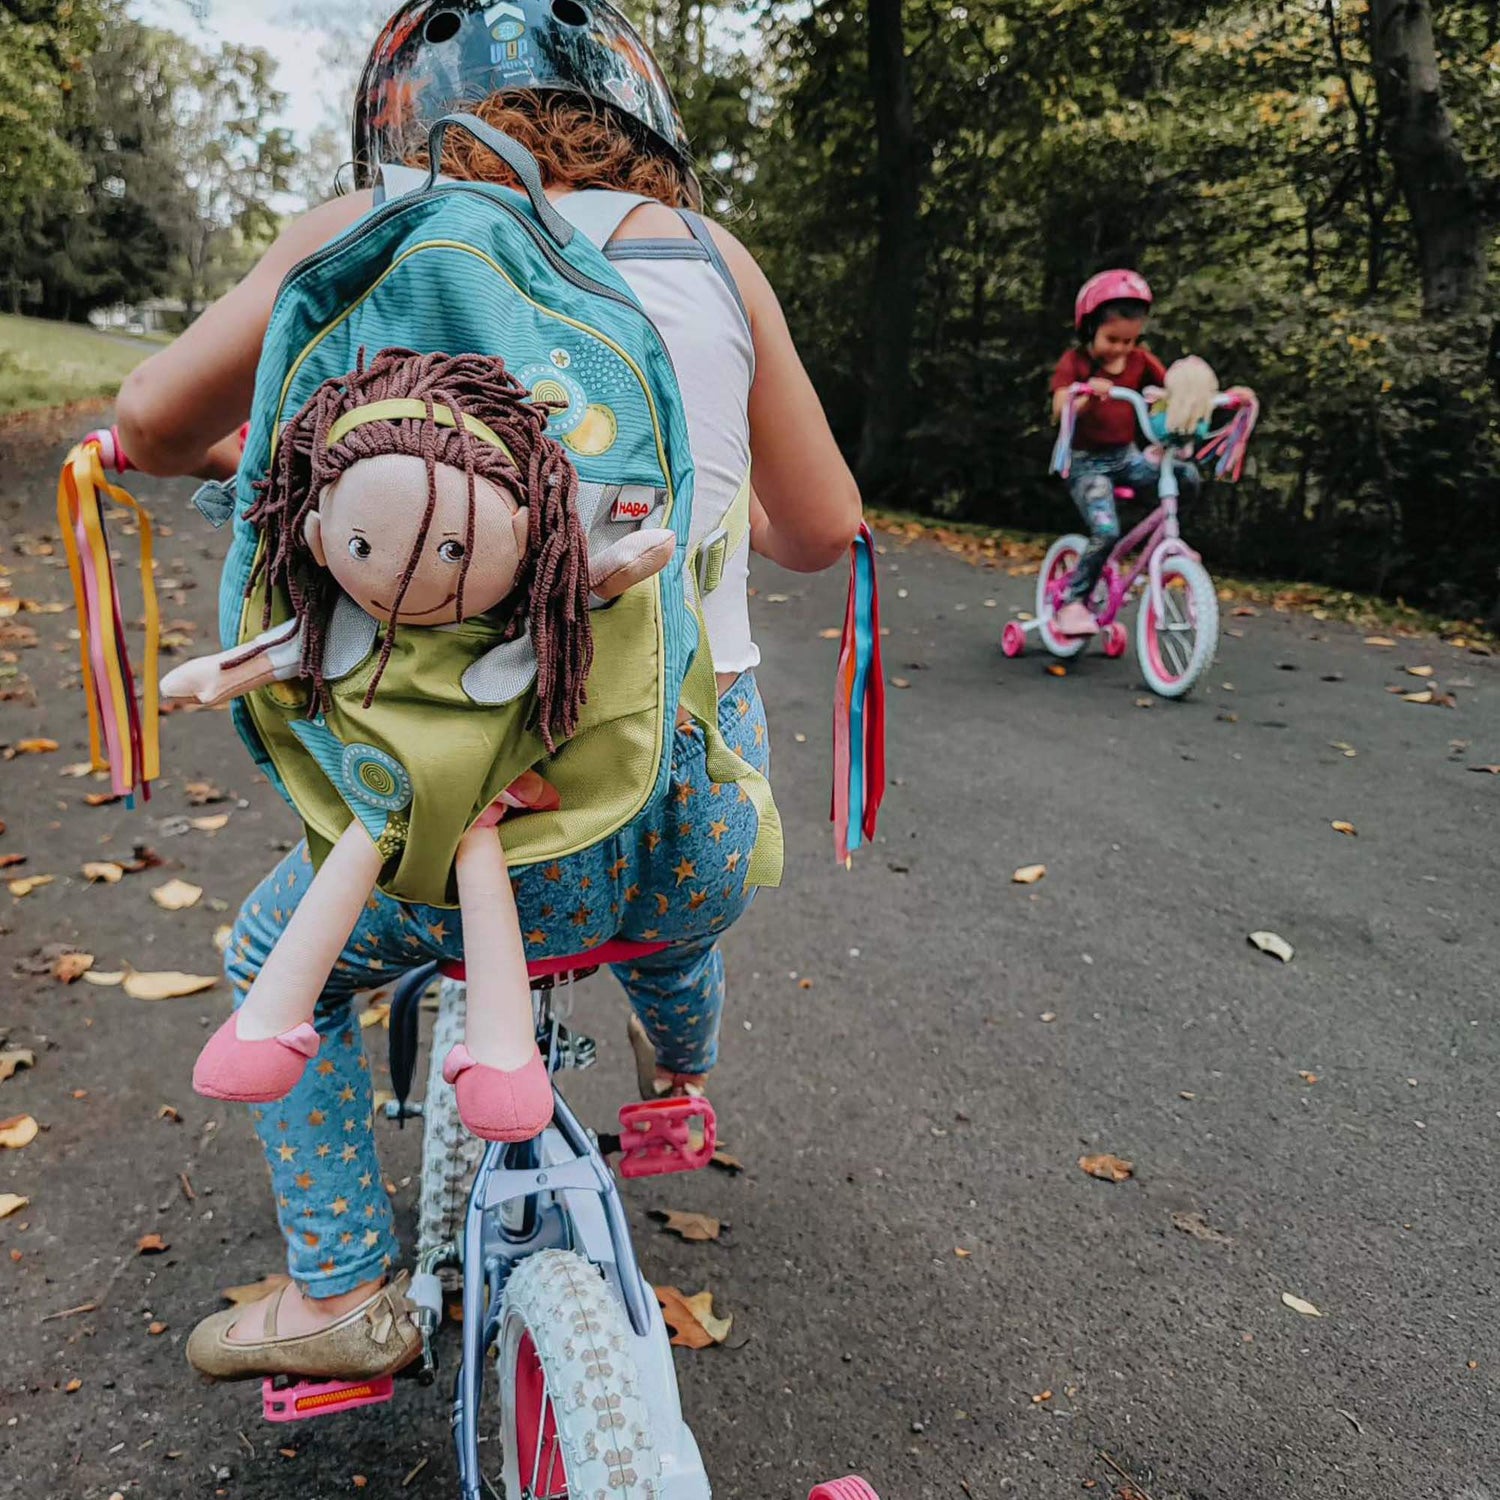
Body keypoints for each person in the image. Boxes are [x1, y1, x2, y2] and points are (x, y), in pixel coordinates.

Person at [114, 0, 861, 1383]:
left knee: (280, 966)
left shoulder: (355, 232)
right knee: (676, 929)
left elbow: (154, 421)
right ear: (642, 122)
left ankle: (340, 1286)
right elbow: (822, 529)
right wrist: (719, 507)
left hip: (466, 816)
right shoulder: (710, 253)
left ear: (404, 116)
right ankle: (678, 1072)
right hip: (682, 804)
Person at [1048, 270, 1198, 636]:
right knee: (1105, 529)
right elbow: (1058, 408)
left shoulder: (1140, 362)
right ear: (1089, 330)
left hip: (1127, 457)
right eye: (1112, 339)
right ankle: (1073, 602)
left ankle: (1172, 538)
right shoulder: (1076, 362)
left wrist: (1189, 398)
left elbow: (1174, 389)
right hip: (1087, 465)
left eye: (1129, 341)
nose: (1121, 349)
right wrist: (1082, 396)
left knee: (1186, 475)